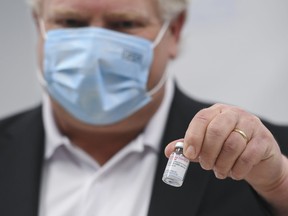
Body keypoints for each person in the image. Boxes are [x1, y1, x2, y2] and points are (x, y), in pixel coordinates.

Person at [0, 0, 287, 215]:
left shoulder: (258, 159)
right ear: (38, 24)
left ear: (173, 31)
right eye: (70, 22)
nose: (93, 50)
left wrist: (278, 185)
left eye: (124, 24)